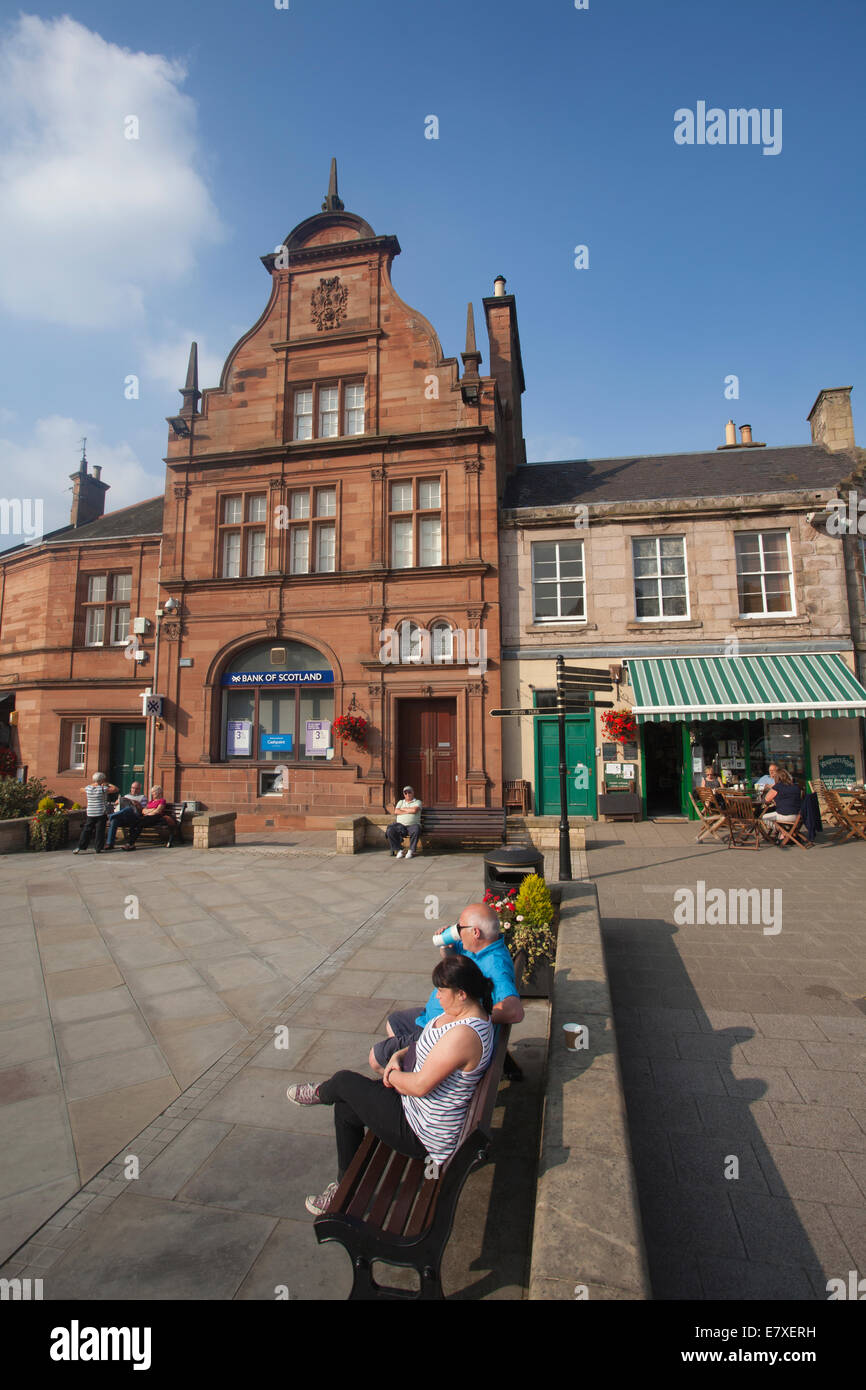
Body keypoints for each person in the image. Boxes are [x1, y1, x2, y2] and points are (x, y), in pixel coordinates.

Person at [287, 954, 496, 1215]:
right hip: (415, 1107)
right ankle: (344, 1189)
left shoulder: (464, 1035)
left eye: (442, 991)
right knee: (346, 1107)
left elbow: (420, 1085)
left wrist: (390, 1076)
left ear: (462, 994)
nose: (437, 996)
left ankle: (321, 1092)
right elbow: (427, 1047)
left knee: (344, 1082)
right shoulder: (463, 1014)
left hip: (422, 1131)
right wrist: (398, 1055)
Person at [369, 900, 524, 1074]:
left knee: (377, 1058)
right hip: (432, 1017)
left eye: (460, 927)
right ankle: (416, 1062)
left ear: (475, 932)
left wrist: (463, 1019)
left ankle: (418, 1075)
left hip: (444, 1031)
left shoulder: (495, 965)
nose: (457, 931)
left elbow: (514, 1011)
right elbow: (450, 967)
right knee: (394, 1022)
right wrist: (446, 946)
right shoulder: (475, 946)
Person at [73, 771, 118, 854]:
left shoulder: (88, 788)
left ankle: (80, 846)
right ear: (102, 780)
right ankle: (98, 848)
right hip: (101, 812)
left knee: (87, 830)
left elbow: (81, 789)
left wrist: (93, 784)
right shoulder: (103, 789)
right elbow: (115, 789)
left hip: (91, 812)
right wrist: (108, 784)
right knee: (99, 830)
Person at [103, 782, 147, 851]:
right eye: (133, 788)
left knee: (129, 809)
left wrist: (137, 804)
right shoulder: (126, 796)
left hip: (134, 818)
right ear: (131, 788)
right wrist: (117, 803)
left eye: (136, 789)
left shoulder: (143, 797)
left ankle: (111, 816)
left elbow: (143, 810)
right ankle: (110, 843)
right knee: (114, 820)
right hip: (124, 817)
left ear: (139, 789)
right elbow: (117, 806)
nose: (134, 790)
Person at [762, 768, 803, 838]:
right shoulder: (796, 786)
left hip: (784, 815)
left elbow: (767, 799)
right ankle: (789, 833)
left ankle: (783, 832)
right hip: (797, 816)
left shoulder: (777, 787)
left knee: (764, 817)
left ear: (777, 778)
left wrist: (771, 788)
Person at [385, 785, 422, 859]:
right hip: (400, 826)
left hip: (412, 825)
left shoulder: (418, 802)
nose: (408, 794)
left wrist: (403, 809)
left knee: (416, 829)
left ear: (413, 793)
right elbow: (396, 811)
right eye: (405, 793)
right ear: (404, 794)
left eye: (409, 792)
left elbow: (414, 810)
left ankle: (411, 850)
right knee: (390, 830)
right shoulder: (400, 802)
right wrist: (409, 810)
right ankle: (400, 850)